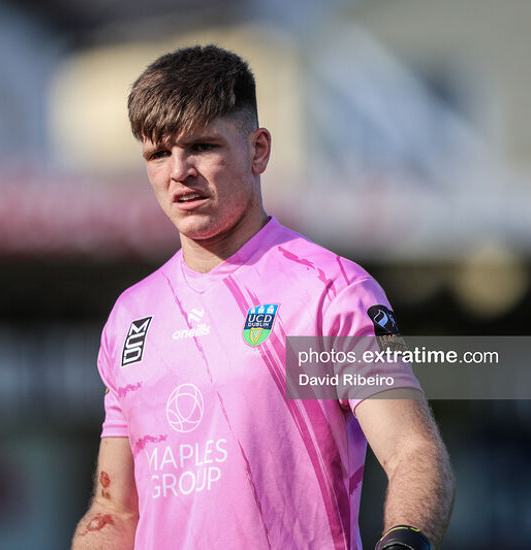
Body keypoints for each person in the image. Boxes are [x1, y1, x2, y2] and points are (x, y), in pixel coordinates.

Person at [72, 45, 454, 550]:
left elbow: (413, 452)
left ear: (259, 150)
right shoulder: (131, 316)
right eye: (159, 154)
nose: (178, 171)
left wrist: (405, 542)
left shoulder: (328, 291)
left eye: (202, 146)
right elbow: (115, 512)